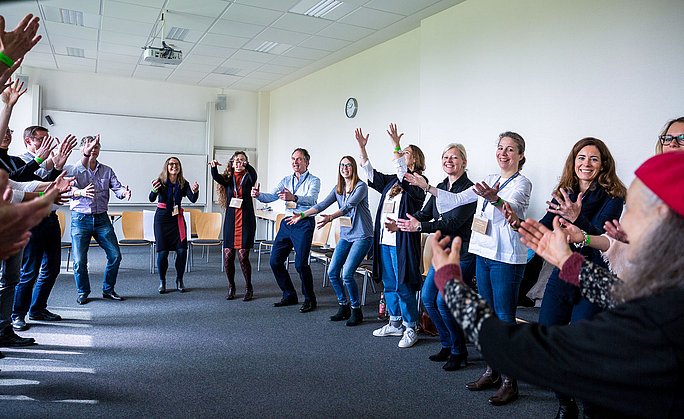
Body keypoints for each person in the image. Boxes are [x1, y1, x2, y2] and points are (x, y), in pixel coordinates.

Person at [433, 151, 684, 418]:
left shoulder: (655, 327)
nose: (622, 224)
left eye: (631, 210)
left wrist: (449, 283)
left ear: (659, 216)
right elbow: (624, 296)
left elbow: (516, 349)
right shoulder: (668, 297)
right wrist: (566, 261)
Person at [406, 131, 531, 404]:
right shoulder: (491, 177)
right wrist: (427, 188)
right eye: (500, 148)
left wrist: (496, 200)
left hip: (506, 258)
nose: (503, 153)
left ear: (520, 155)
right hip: (482, 252)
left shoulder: (523, 183)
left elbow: (514, 209)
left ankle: (511, 381)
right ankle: (493, 370)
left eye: (510, 149)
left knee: (504, 319)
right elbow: (458, 200)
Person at [396, 143, 476, 369]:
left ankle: (459, 351)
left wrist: (419, 227)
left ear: (464, 162)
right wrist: (404, 222)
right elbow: (425, 213)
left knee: (444, 301)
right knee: (429, 300)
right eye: (445, 157)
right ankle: (447, 343)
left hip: (462, 254)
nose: (449, 160)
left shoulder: (468, 190)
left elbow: (451, 223)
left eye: (454, 157)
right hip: (442, 253)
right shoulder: (441, 186)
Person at [357, 124, 426, 348]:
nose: (400, 156)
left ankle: (410, 326)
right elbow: (369, 173)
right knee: (389, 284)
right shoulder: (392, 182)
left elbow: (402, 173)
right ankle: (395, 322)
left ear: (414, 161)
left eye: (405, 154)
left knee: (403, 284)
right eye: (400, 153)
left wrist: (395, 144)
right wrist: (362, 148)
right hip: (385, 242)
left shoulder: (418, 183)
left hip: (402, 243)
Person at [287, 155, 373, 326]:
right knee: (332, 272)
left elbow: (348, 206)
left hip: (362, 236)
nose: (345, 168)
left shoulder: (361, 186)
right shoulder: (338, 188)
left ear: (353, 168)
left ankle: (356, 310)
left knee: (347, 274)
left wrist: (331, 218)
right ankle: (344, 305)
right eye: (342, 165)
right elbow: (321, 206)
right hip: (347, 235)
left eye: (348, 165)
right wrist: (302, 215)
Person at [251, 148, 320, 312]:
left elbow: (312, 200)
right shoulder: (286, 180)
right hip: (287, 223)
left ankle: (310, 299)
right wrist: (259, 195)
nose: (295, 162)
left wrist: (294, 197)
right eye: (293, 159)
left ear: (307, 162)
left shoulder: (314, 180)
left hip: (303, 223)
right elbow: (272, 197)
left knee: (300, 264)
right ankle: (289, 294)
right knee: (275, 261)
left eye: (299, 159)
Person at [65, 135, 131, 305]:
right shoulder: (74, 170)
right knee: (79, 261)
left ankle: (108, 290)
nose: (93, 149)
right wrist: (80, 192)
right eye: (90, 146)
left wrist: (125, 192)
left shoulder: (107, 170)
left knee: (115, 255)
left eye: (96, 147)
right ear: (82, 149)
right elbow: (65, 191)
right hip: (80, 219)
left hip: (102, 219)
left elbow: (118, 188)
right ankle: (83, 291)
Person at [210, 151, 257, 301]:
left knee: (243, 256)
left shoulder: (248, 177)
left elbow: (254, 174)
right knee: (228, 256)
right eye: (236, 160)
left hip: (246, 220)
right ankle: (231, 286)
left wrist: (247, 165)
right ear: (232, 163)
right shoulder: (229, 179)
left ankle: (248, 287)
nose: (239, 162)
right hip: (231, 221)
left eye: (242, 160)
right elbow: (216, 177)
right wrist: (213, 167)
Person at [149, 157, 199, 294]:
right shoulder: (160, 181)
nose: (174, 166)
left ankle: (179, 280)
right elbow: (151, 198)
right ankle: (162, 281)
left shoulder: (183, 183)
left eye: (176, 164)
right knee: (163, 252)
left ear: (179, 167)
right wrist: (153, 190)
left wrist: (196, 191)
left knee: (182, 251)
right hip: (162, 219)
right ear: (167, 166)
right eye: (171, 164)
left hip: (177, 219)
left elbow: (193, 199)